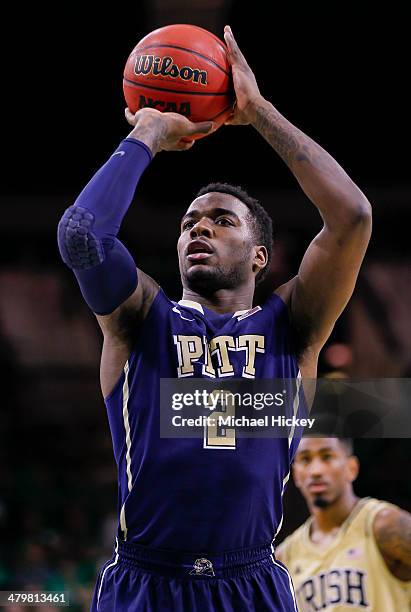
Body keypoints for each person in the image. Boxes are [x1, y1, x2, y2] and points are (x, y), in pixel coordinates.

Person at [57, 25, 372, 612]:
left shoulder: (291, 327)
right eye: (188, 223)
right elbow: (82, 235)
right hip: (145, 582)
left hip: (249, 581)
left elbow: (352, 216)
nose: (198, 227)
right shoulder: (141, 319)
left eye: (222, 220)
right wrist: (149, 131)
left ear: (260, 256)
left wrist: (259, 112)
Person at [276, 437, 411, 610]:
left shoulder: (385, 525)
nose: (316, 470)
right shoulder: (285, 557)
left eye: (327, 457)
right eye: (305, 459)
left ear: (351, 468)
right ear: (295, 474)